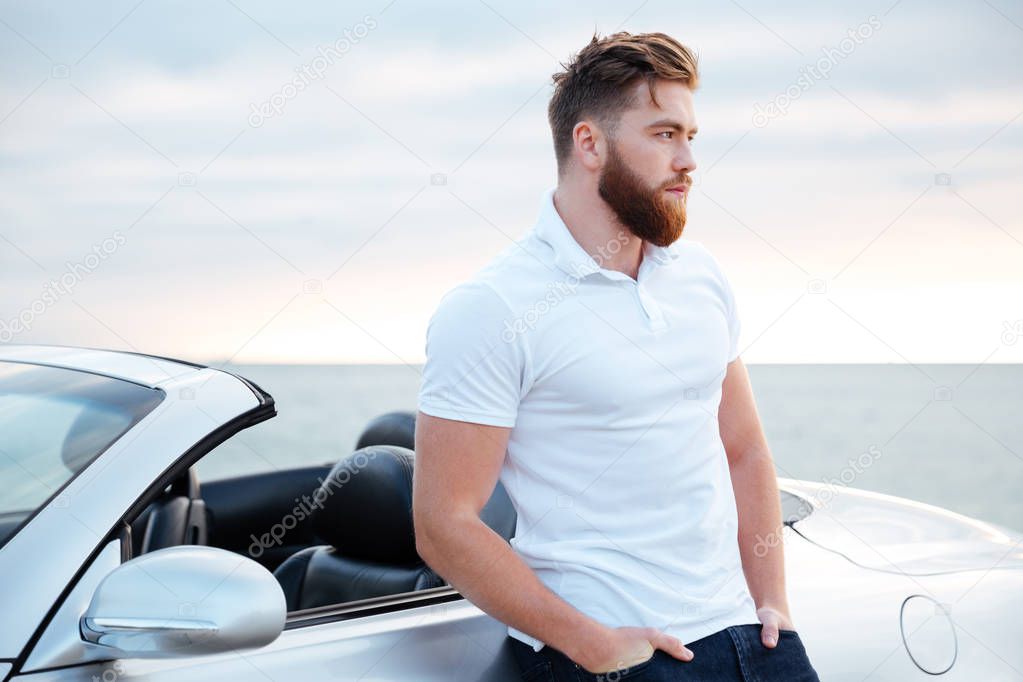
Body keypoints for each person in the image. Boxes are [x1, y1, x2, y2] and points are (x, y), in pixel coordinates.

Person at [412, 30, 821, 681]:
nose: (687, 159)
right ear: (589, 144)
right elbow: (443, 523)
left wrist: (772, 600)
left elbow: (742, 449)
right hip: (617, 655)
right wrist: (591, 645)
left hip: (752, 639)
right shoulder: (492, 306)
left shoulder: (699, 275)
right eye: (663, 135)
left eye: (690, 136)